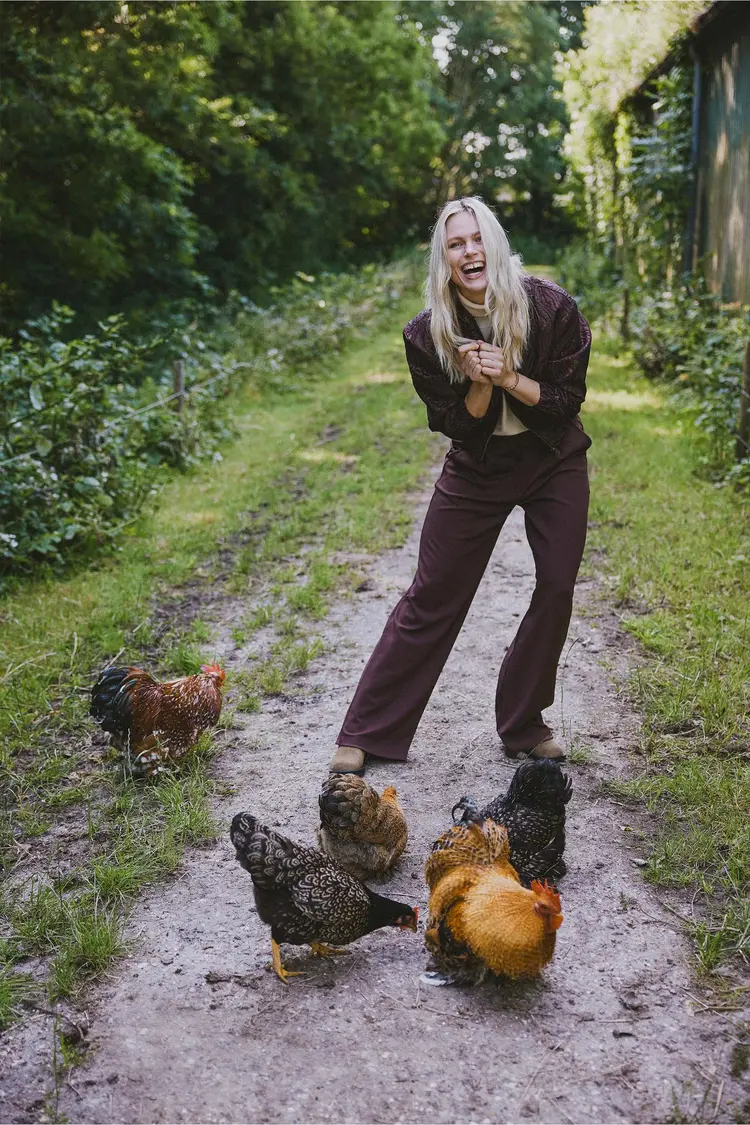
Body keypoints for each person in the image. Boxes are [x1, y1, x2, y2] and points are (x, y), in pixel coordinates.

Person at [330, 196, 592, 776]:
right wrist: (477, 383)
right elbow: (454, 423)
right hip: (480, 465)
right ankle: (367, 730)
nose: (469, 251)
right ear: (443, 259)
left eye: (477, 240)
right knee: (433, 593)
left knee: (556, 585)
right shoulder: (427, 334)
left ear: (493, 245)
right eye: (456, 244)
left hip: (552, 457)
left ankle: (523, 725)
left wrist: (510, 377)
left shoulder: (551, 307)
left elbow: (566, 403)